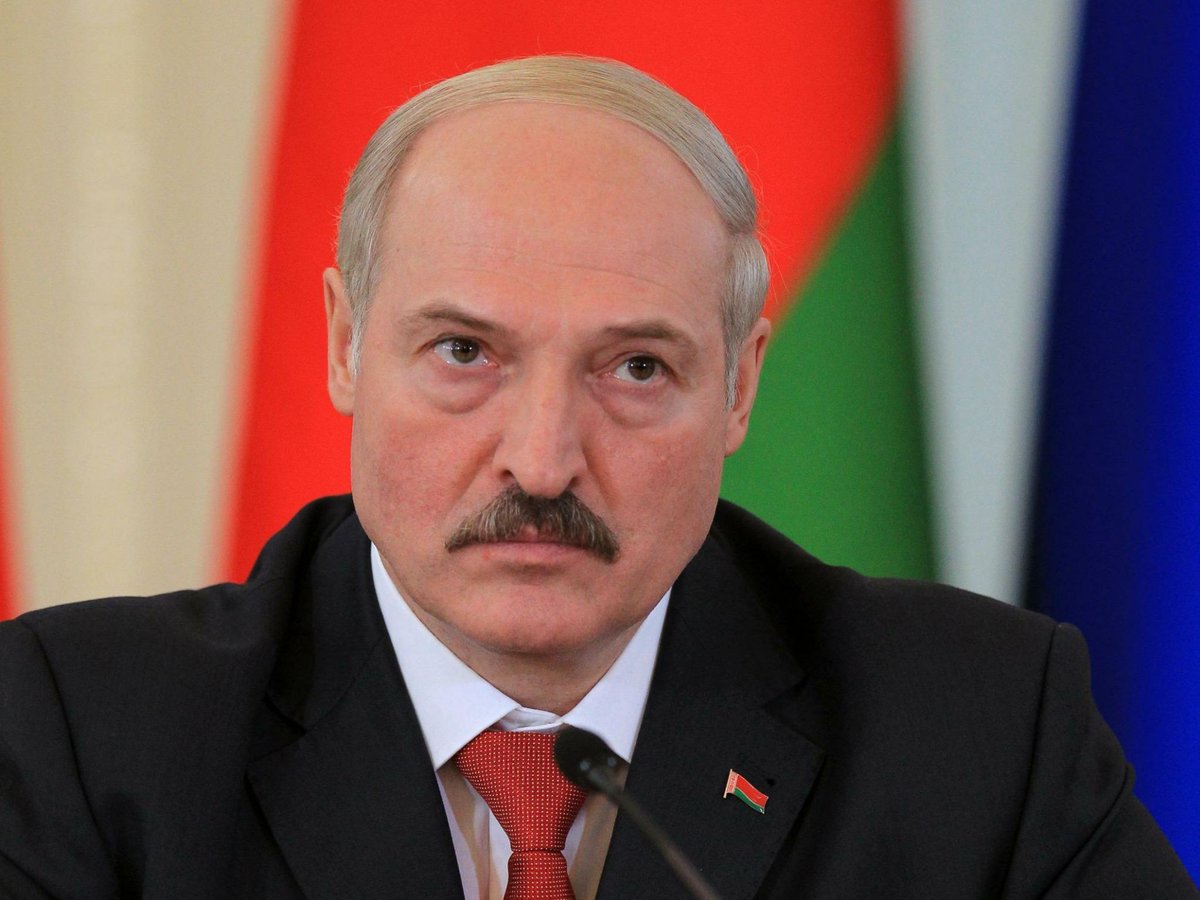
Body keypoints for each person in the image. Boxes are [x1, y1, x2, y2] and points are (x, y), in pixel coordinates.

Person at [0, 56, 1193, 900]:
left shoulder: (980, 732)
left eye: (634, 369)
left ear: (740, 386)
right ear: (346, 345)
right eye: (464, 353)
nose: (541, 459)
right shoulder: (82, 738)